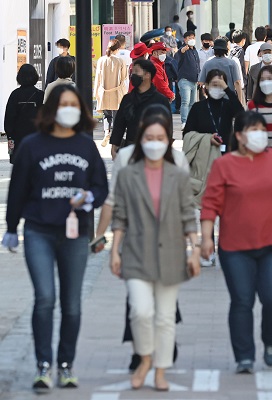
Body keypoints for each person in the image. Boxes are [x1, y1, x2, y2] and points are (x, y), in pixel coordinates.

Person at [2, 85, 108, 392]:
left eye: (74, 104)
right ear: (51, 109)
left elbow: (101, 186)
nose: (69, 109)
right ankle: (43, 364)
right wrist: (11, 228)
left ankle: (66, 364)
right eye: (63, 104)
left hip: (75, 235)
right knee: (45, 298)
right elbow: (19, 188)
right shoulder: (33, 145)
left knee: (71, 304)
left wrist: (89, 197)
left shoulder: (86, 146)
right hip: (39, 230)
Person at [199, 111, 272, 373]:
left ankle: (271, 341)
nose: (260, 134)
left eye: (262, 129)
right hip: (234, 247)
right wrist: (205, 237)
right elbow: (211, 204)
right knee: (242, 301)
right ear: (239, 135)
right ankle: (244, 356)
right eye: (253, 130)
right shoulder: (224, 165)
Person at [111, 112, 200, 391]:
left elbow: (188, 215)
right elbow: (120, 215)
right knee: (140, 311)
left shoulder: (177, 173)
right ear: (141, 140)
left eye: (160, 138)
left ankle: (160, 369)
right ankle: (145, 358)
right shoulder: (128, 172)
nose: (154, 143)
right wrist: (115, 251)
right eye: (149, 138)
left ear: (168, 140)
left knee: (164, 316)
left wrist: (195, 250)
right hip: (136, 252)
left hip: (171, 253)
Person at [110, 59, 170, 159]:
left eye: (136, 71)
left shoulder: (160, 100)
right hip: (131, 148)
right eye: (132, 72)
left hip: (154, 149)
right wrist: (114, 145)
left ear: (147, 75)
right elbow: (119, 124)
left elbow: (168, 127)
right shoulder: (128, 99)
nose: (133, 75)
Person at [184, 68, 244, 150]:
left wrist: (227, 90)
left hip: (226, 154)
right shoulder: (197, 107)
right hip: (204, 153)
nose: (218, 88)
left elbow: (241, 115)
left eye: (221, 85)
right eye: (215, 85)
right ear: (207, 85)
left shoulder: (228, 105)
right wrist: (207, 138)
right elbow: (187, 134)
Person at [4, 64, 44, 163]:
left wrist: (10, 136)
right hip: (36, 136)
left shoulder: (15, 94)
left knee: (19, 165)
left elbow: (9, 117)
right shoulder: (40, 95)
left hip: (18, 137)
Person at [95, 39, 129, 147]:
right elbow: (124, 78)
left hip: (104, 92)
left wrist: (96, 92)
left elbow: (98, 78)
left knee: (106, 115)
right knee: (116, 115)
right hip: (116, 92)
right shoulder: (120, 61)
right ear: (118, 49)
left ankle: (106, 133)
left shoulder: (101, 60)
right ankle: (114, 136)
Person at [199, 38, 245, 105]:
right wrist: (239, 100)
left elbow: (201, 83)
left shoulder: (207, 63)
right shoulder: (232, 63)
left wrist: (206, 96)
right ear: (226, 50)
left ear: (214, 50)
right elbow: (237, 82)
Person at [174, 31, 201, 127]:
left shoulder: (195, 51)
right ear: (185, 39)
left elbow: (197, 65)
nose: (191, 39)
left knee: (192, 103)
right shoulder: (183, 50)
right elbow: (177, 55)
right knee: (185, 101)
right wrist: (182, 51)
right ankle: (184, 121)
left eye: (193, 37)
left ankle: (191, 121)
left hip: (194, 81)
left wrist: (199, 78)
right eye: (189, 38)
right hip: (184, 80)